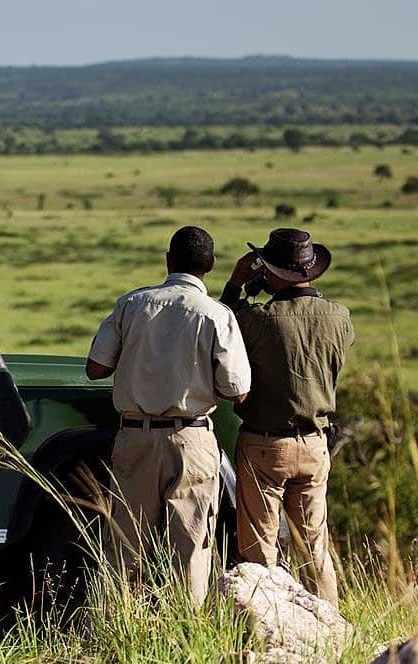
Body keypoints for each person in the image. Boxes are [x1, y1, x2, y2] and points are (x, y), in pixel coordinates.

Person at [86, 226, 251, 606]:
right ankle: (186, 633)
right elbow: (237, 390)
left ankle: (118, 626)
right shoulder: (217, 314)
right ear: (210, 265)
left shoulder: (131, 304)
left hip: (135, 437)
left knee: (125, 544)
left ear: (167, 259)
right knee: (191, 548)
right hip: (192, 439)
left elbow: (95, 368)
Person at [220, 228, 353, 606]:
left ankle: (268, 632)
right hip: (315, 444)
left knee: (260, 553)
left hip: (265, 445)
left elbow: (222, 325)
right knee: (315, 550)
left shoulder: (259, 319)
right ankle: (328, 624)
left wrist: (237, 284)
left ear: (272, 270)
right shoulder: (339, 316)